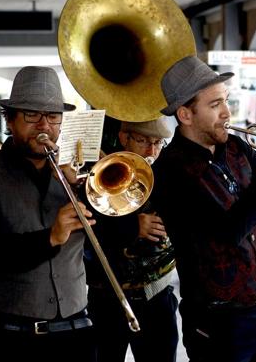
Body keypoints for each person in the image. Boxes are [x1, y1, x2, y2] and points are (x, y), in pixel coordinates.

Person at [151, 55, 256, 362]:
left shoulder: (237, 147)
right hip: (221, 321)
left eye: (226, 101)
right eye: (215, 105)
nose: (227, 112)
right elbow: (229, 231)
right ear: (185, 114)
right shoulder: (170, 171)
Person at [0, 66, 97, 362]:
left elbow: (114, 242)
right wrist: (50, 238)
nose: (44, 125)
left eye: (53, 116)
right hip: (8, 340)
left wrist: (82, 188)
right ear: (10, 119)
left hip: (75, 336)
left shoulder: (78, 175)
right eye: (32, 114)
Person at [85, 117, 179, 362]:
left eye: (158, 142)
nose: (151, 151)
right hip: (106, 296)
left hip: (156, 294)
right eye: (143, 140)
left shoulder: (167, 169)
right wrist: (131, 226)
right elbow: (85, 231)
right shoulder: (99, 169)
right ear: (124, 137)